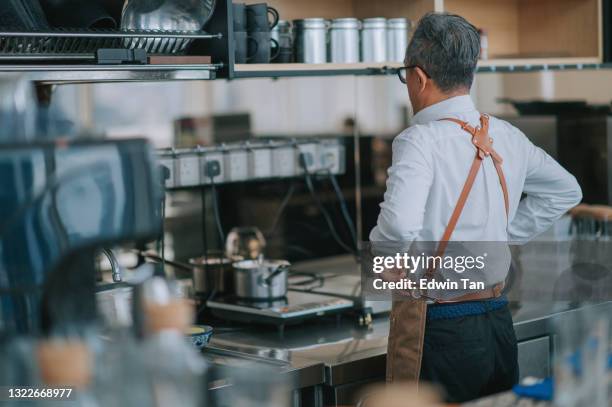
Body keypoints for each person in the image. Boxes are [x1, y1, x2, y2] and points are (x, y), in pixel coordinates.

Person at [369, 12, 582, 403]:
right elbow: (566, 190)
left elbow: (397, 228)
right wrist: (502, 234)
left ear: (417, 77)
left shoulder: (419, 140)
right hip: (498, 323)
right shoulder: (507, 134)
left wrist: (383, 261)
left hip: (441, 331)